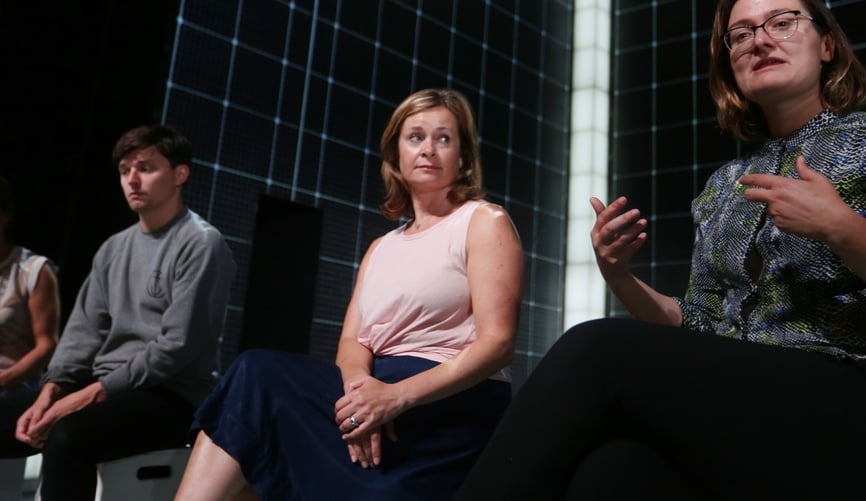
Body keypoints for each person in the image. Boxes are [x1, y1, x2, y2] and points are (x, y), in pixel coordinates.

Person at [456, 0, 866, 501]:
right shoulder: (726, 186)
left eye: (782, 22)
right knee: (617, 471)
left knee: (596, 350)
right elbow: (701, 328)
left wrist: (841, 227)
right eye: (741, 35)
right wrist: (620, 278)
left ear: (827, 44)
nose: (760, 41)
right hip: (766, 412)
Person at [174, 87, 523, 501]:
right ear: (395, 155)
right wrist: (360, 394)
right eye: (415, 137)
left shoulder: (484, 221)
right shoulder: (381, 247)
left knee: (259, 388)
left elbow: (498, 344)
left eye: (444, 138)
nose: (429, 149)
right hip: (374, 393)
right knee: (254, 387)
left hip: (447, 402)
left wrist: (395, 397)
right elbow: (353, 340)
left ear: (463, 157)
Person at [0, 124, 236, 500]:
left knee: (69, 434)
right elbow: (82, 332)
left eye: (145, 167)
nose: (132, 179)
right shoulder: (113, 248)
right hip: (107, 386)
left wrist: (86, 397)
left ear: (180, 174)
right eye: (125, 170)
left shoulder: (201, 243)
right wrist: (51, 390)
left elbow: (174, 348)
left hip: (173, 396)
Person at [0, 177, 60, 406]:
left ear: (4, 215)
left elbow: (46, 345)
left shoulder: (33, 270)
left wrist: (4, 380)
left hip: (14, 390)